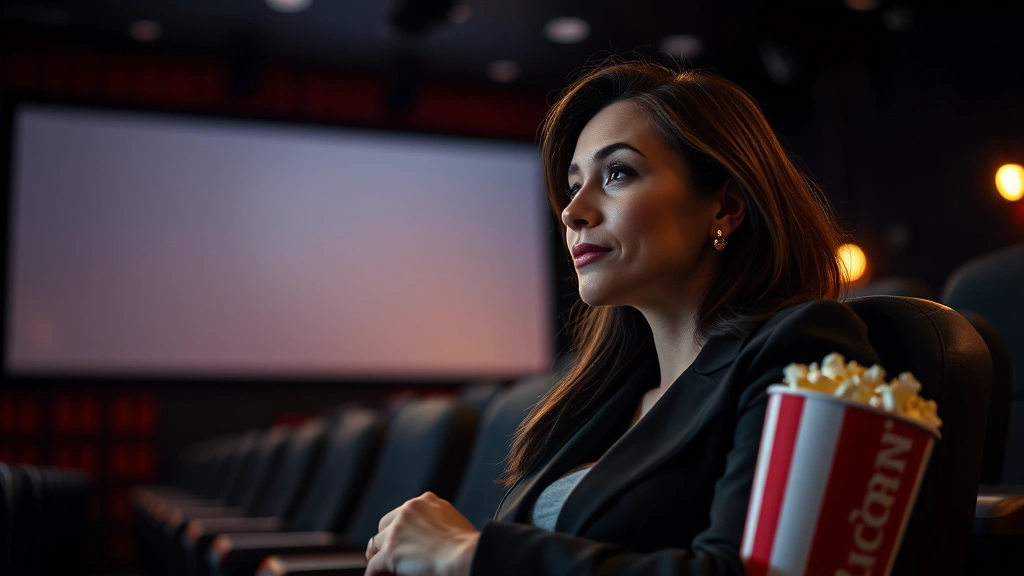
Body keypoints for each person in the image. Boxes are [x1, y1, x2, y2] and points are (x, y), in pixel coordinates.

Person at [364, 58, 881, 576]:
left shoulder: (804, 349)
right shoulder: (601, 396)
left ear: (724, 207)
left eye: (617, 173)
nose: (572, 212)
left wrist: (471, 554)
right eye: (572, 186)